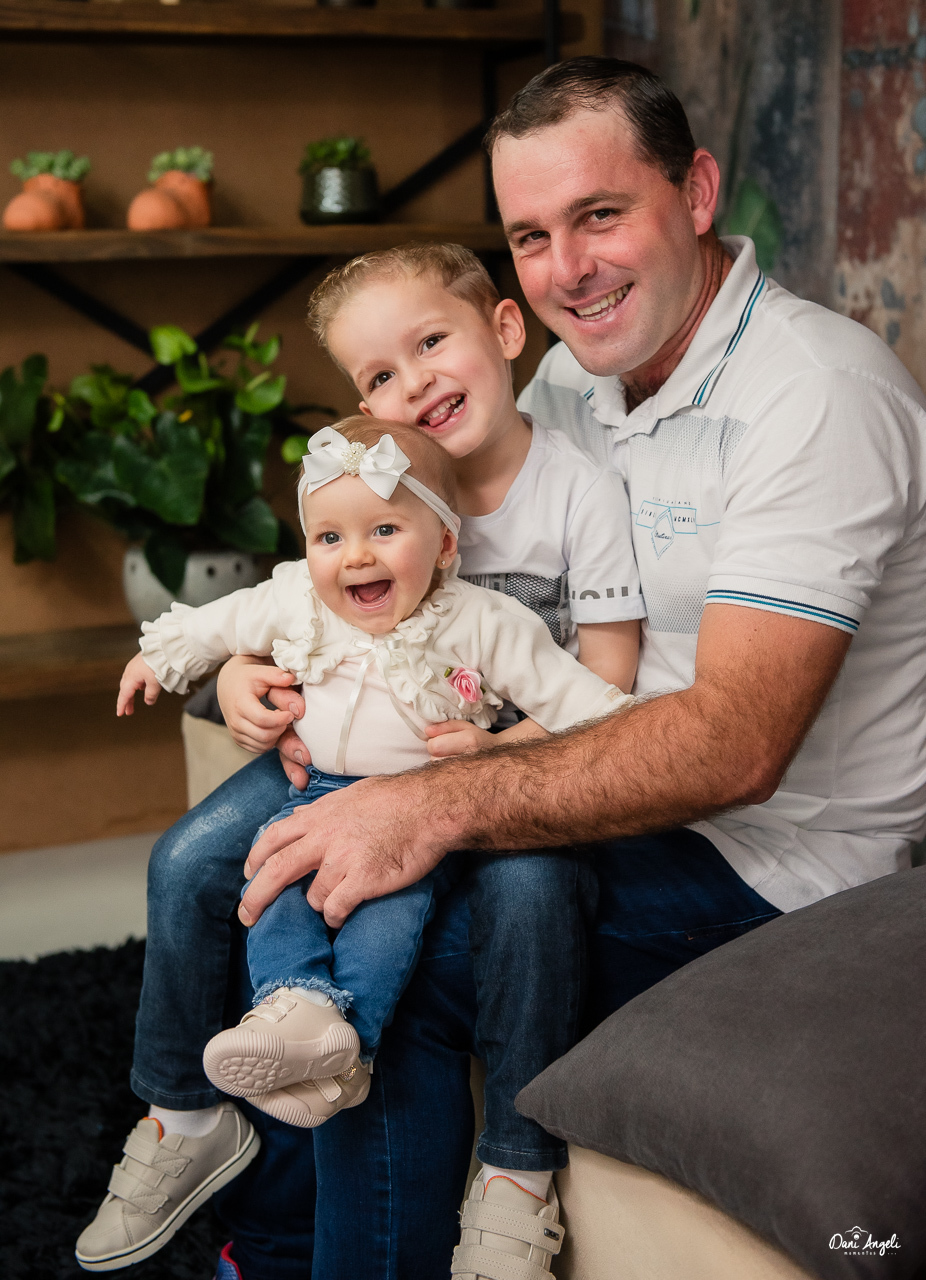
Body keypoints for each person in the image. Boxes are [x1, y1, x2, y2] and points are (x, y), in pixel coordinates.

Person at [197, 55, 926, 1279]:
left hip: (777, 859)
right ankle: (270, 1242)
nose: (566, 269)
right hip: (586, 768)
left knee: (397, 950)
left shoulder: (815, 396)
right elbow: (418, 565)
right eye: (531, 236)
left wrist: (428, 801)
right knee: (281, 874)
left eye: (598, 214)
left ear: (695, 192)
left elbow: (732, 747)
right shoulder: (568, 380)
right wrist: (270, 662)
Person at [75, 417, 633, 1275]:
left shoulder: (484, 621)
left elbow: (580, 701)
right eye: (329, 537)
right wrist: (164, 661)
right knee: (270, 892)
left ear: (444, 544)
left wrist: (505, 749)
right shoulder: (296, 596)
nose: (355, 556)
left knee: (379, 923)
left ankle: (347, 1049)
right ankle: (292, 1013)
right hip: (312, 791)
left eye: (384, 530)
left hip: (413, 814)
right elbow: (219, 623)